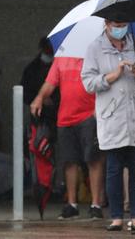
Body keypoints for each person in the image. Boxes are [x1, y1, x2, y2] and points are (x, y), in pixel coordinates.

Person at [81, 18, 135, 234]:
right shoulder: (95, 48)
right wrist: (111, 77)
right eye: (116, 24)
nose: (120, 28)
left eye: (123, 24)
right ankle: (116, 217)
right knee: (114, 170)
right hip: (112, 117)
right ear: (107, 24)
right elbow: (88, 82)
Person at [30, 49, 104, 220]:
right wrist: (39, 98)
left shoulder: (96, 55)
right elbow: (50, 83)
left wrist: (98, 110)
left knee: (94, 159)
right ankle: (71, 204)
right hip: (65, 117)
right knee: (68, 161)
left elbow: (105, 83)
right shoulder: (61, 58)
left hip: (89, 115)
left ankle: (96, 204)